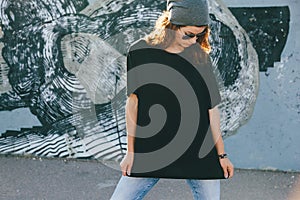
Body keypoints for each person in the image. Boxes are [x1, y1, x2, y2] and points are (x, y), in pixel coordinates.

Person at [110, 0, 234, 199]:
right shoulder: (140, 52)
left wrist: (222, 155)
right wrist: (130, 152)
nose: (194, 40)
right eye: (189, 34)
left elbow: (212, 109)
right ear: (172, 25)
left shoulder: (200, 58)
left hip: (199, 150)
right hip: (152, 150)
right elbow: (133, 103)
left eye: (200, 35)